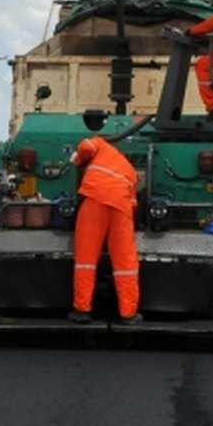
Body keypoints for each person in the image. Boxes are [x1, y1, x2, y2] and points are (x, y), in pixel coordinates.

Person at [67, 135, 141, 325]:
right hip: (121, 209)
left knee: (86, 259)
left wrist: (77, 159)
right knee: (126, 263)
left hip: (95, 201)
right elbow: (133, 203)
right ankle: (129, 313)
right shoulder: (131, 171)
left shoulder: (100, 144)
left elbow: (85, 145)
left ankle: (82, 310)